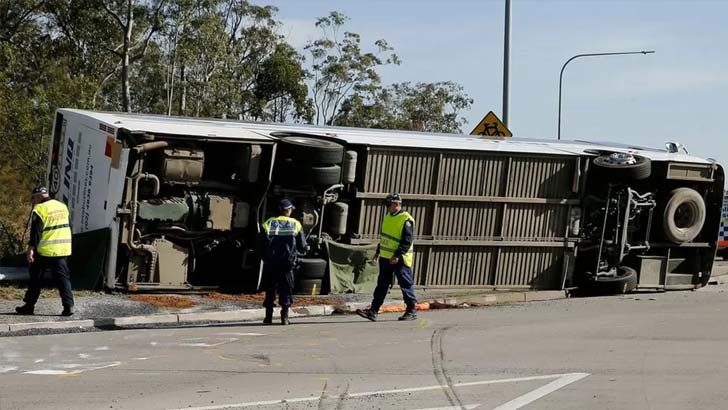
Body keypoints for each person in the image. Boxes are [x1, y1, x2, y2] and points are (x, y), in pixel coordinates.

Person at [357, 192, 418, 322]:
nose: (387, 207)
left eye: (389, 205)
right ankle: (373, 311)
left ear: (397, 204)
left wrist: (397, 255)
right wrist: (378, 252)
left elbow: (407, 241)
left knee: (405, 284)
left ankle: (411, 310)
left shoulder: (406, 219)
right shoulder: (388, 216)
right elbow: (385, 236)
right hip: (385, 257)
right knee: (382, 285)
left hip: (399, 259)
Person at [16, 187, 74, 316]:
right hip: (63, 249)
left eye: (34, 198)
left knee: (35, 278)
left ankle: (29, 306)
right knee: (63, 279)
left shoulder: (40, 209)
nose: (34, 201)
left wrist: (31, 249)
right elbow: (69, 226)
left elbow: (36, 232)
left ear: (38, 196)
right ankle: (69, 306)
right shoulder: (62, 206)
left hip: (45, 250)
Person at [259, 199, 307, 325]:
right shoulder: (295, 224)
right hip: (287, 264)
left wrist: (265, 257)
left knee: (270, 290)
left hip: (271, 263)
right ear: (289, 210)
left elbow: (261, 244)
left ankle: (268, 317)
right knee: (286, 290)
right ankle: (284, 317)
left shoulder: (268, 223)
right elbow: (302, 246)